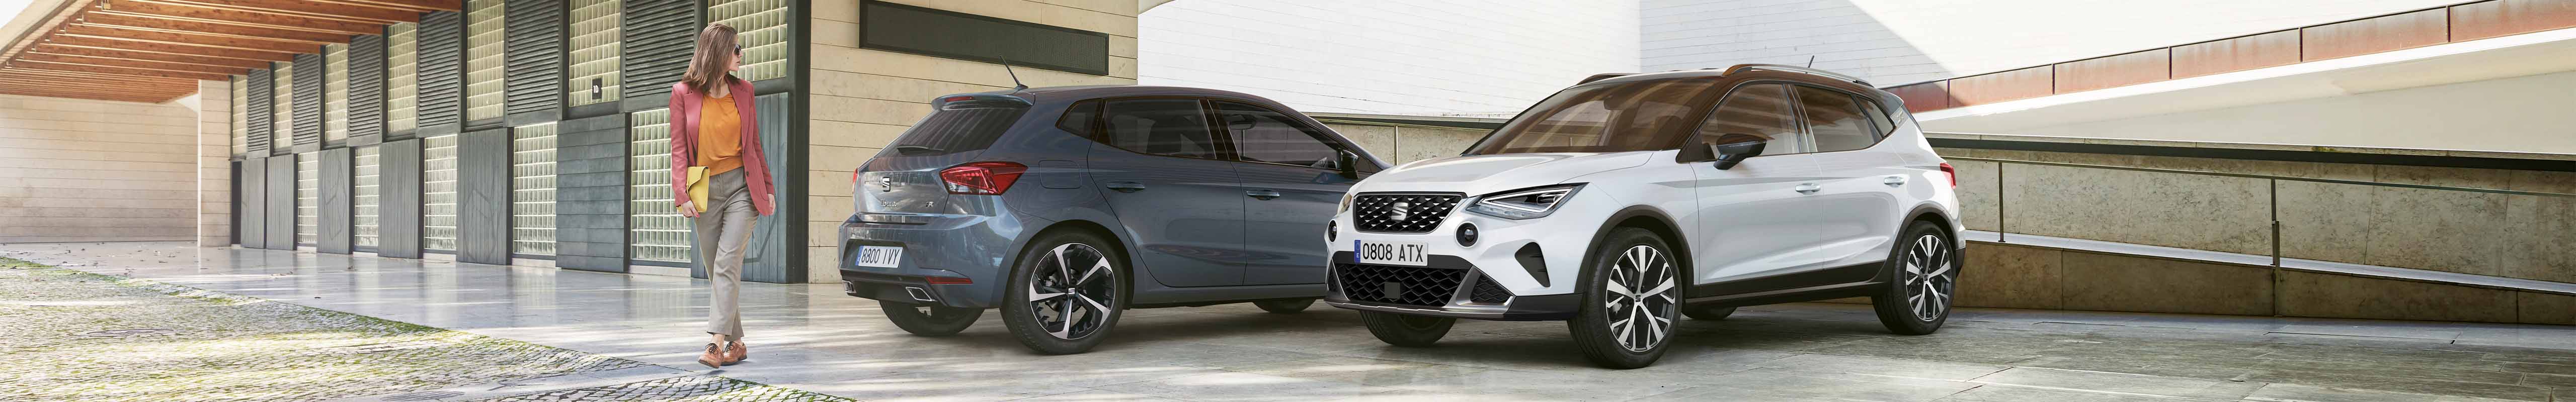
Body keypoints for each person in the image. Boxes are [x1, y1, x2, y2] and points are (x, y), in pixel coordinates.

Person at [670, 23, 775, 369]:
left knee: (728, 263)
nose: (741, 55)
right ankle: (739, 343)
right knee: (718, 271)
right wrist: (681, 192)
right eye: (736, 49)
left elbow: (755, 145)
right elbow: (679, 150)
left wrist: (769, 188)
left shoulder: (745, 91)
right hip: (704, 188)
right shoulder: (683, 93)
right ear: (718, 52)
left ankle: (715, 343)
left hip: (742, 188)